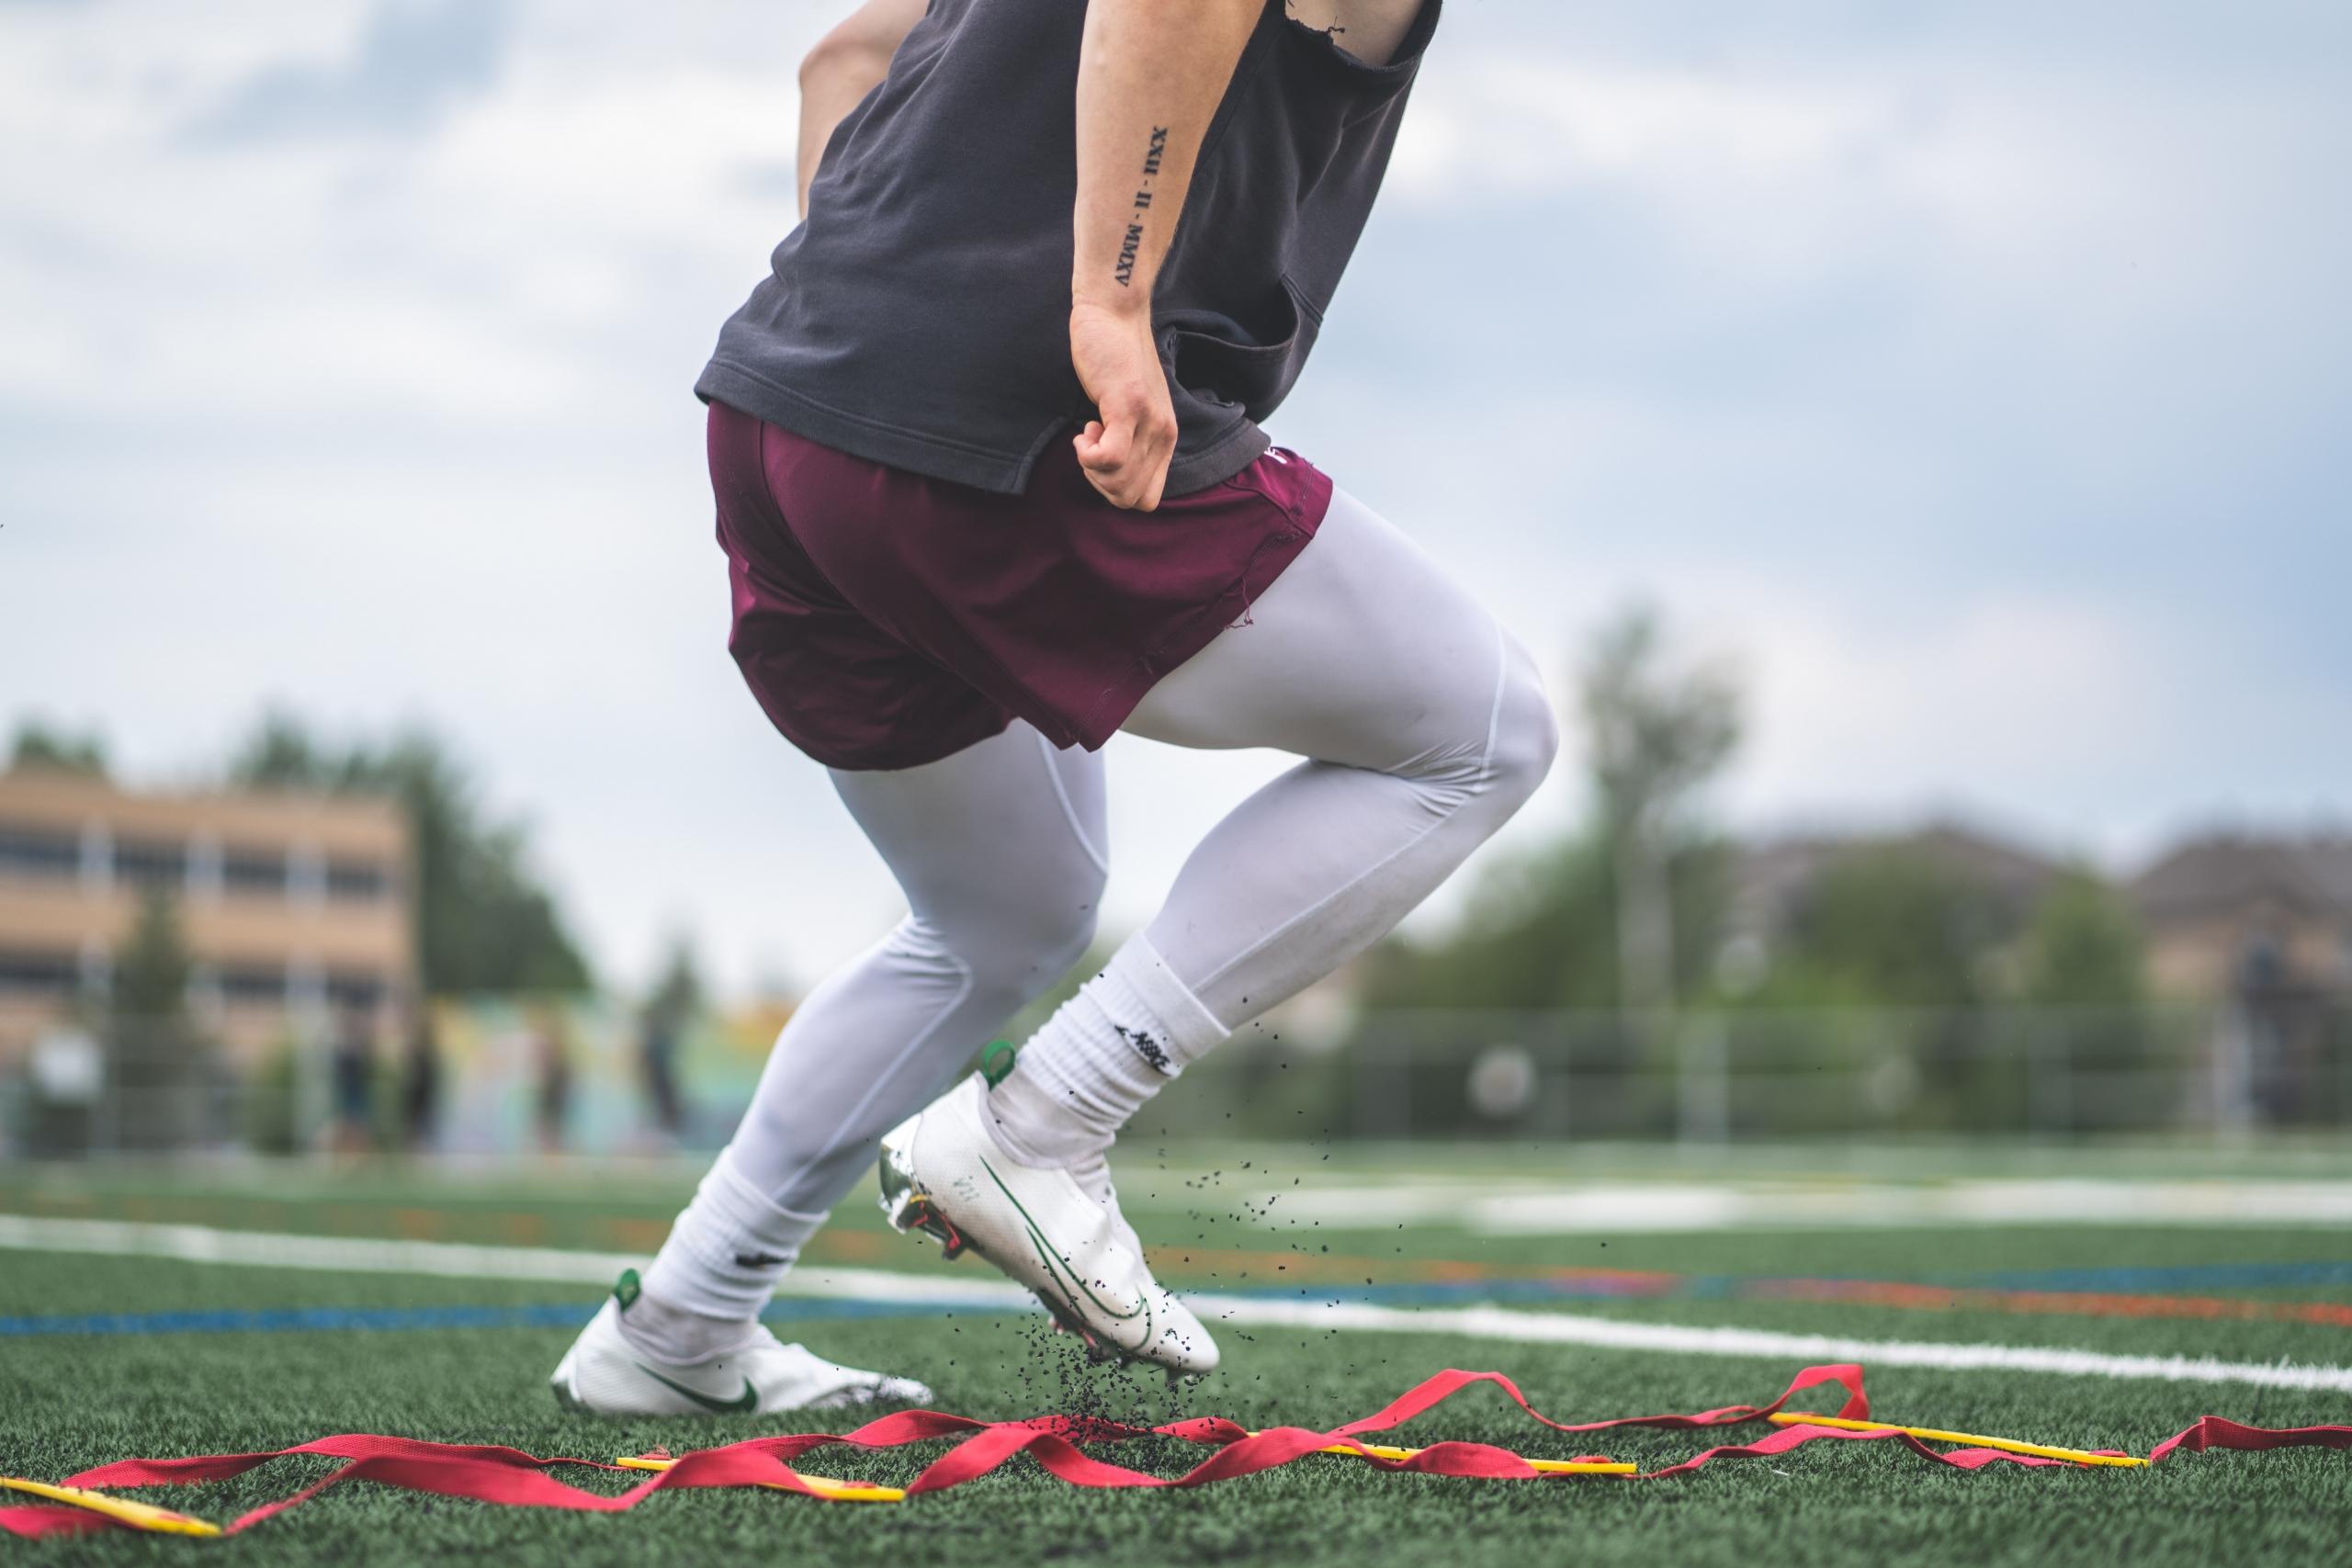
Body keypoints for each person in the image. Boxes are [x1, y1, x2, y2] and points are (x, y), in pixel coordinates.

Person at [551, 0, 1557, 1416]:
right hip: (1006, 433)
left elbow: (842, 57)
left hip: (788, 416)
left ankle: (682, 1318)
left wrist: (879, 324)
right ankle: (1051, 1119)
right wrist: (1106, 300)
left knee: (1004, 911)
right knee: (1485, 734)